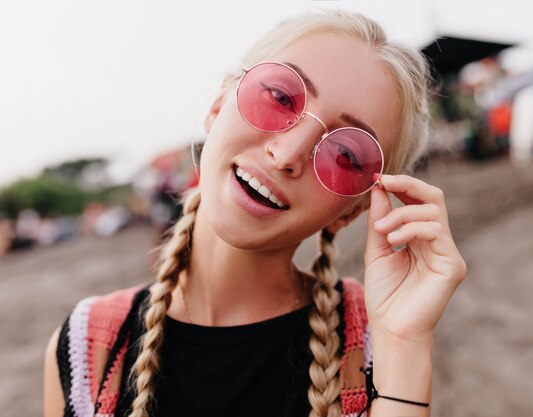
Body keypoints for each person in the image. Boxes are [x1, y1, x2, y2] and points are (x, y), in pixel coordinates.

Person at [43, 9, 466, 417]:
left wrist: (405, 343)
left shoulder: (375, 341)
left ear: (353, 211)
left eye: (345, 152)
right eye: (280, 96)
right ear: (216, 107)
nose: (287, 154)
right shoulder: (88, 343)